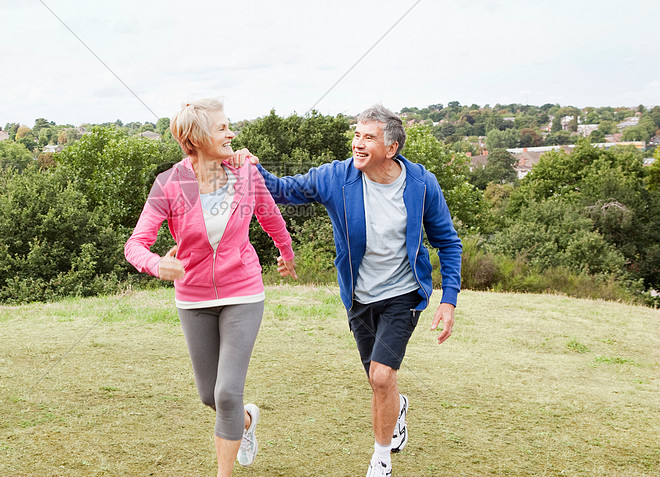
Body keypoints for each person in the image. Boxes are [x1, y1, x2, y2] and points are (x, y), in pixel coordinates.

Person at [232, 103, 462, 477]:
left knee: (380, 377)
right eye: (356, 134)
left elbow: (447, 243)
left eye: (368, 137)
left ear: (391, 148)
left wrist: (448, 299)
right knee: (377, 378)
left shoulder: (421, 184)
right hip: (359, 297)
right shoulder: (336, 177)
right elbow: (284, 190)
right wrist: (255, 168)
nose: (357, 143)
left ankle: (381, 458)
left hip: (403, 295)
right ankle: (397, 406)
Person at [124, 98, 297, 477]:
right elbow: (134, 245)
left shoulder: (245, 174)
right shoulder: (169, 185)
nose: (231, 133)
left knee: (226, 393)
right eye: (221, 128)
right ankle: (245, 423)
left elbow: (270, 216)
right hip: (194, 297)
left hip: (243, 291)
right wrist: (157, 263)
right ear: (196, 139)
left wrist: (285, 253)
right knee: (210, 396)